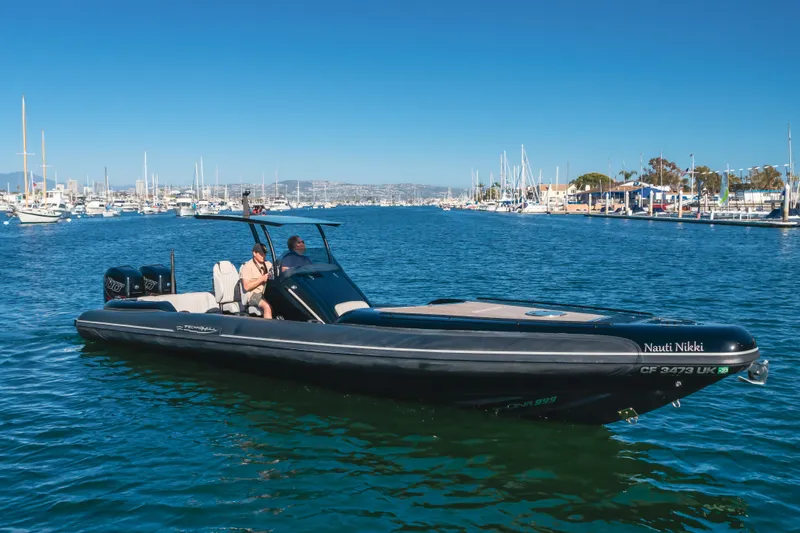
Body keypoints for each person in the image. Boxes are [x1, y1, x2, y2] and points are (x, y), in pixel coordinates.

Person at [239, 243, 273, 319]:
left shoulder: (268, 264)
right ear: (254, 253)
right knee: (267, 307)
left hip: (267, 293)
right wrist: (262, 279)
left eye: (264, 254)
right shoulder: (247, 267)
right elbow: (246, 287)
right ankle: (269, 329)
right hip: (254, 295)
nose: (263, 256)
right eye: (261, 254)